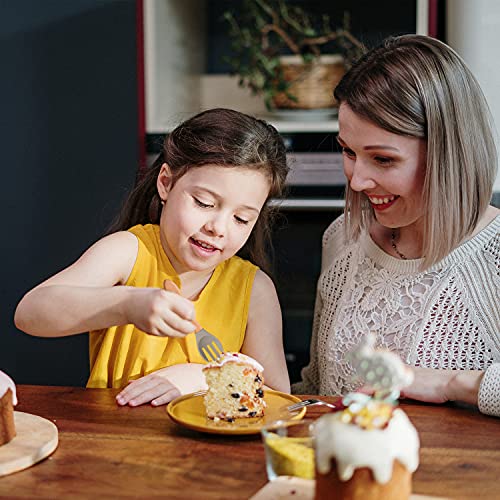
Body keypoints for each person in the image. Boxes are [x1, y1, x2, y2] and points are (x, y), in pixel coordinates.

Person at [15, 108, 291, 406]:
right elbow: (30, 313)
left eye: (241, 219)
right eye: (204, 203)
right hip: (119, 439)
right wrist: (127, 304)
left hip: (210, 451)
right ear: (166, 183)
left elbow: (279, 394)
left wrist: (203, 376)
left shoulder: (254, 290)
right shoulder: (129, 252)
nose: (218, 228)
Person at [292, 35, 500, 417]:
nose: (357, 181)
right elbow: (317, 387)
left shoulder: (495, 257)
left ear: (447, 154)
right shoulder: (343, 236)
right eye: (348, 151)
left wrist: (448, 383)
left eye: (383, 160)